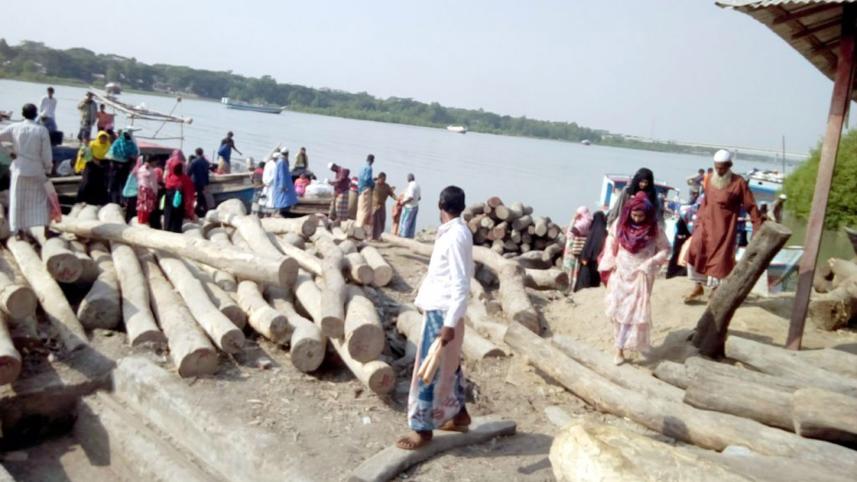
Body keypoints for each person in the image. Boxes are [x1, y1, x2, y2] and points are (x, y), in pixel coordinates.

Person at [396, 185, 473, 450]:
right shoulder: (455, 233)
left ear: (441, 205)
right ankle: (459, 415)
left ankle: (422, 429)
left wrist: (449, 324)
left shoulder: (455, 237)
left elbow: (461, 282)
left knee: (428, 370)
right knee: (449, 365)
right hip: (443, 309)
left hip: (443, 313)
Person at [599, 192, 670, 365]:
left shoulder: (655, 229)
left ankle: (622, 346)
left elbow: (666, 249)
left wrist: (651, 263)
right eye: (634, 215)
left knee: (633, 313)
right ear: (628, 212)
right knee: (619, 311)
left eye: (641, 215)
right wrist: (611, 260)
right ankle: (619, 349)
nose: (637, 219)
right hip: (621, 274)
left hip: (641, 275)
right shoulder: (620, 225)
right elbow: (611, 242)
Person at [684, 150, 763, 302]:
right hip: (705, 224)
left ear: (729, 166)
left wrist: (756, 226)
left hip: (724, 228)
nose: (719, 171)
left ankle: (715, 289)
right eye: (717, 167)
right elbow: (705, 202)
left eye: (722, 168)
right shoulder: (709, 179)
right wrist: (697, 222)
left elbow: (751, 206)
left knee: (720, 260)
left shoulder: (738, 182)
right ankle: (697, 286)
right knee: (695, 250)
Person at [0, 104, 53, 239]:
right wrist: (48, 168)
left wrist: (10, 152)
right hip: (36, 169)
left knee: (17, 200)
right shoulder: (41, 130)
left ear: (22, 114)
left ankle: (18, 231)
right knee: (43, 200)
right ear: (36, 115)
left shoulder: (14, 128)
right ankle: (46, 229)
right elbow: (46, 153)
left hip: (19, 169)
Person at [574, 211, 608, 291]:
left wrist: (584, 257)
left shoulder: (591, 231)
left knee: (584, 283)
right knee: (594, 283)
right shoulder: (605, 232)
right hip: (598, 262)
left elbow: (587, 247)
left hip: (587, 261)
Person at [163, 151, 196, 232]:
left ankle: (167, 230)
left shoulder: (169, 177)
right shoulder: (185, 179)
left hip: (168, 200)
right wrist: (189, 208)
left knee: (168, 216)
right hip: (180, 202)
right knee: (177, 219)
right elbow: (190, 193)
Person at [76, 131, 111, 206]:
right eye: (102, 137)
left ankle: (98, 202)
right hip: (91, 164)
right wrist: (94, 160)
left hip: (103, 166)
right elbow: (85, 153)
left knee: (101, 184)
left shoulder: (108, 146)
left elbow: (110, 155)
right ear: (98, 137)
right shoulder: (92, 144)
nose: (103, 139)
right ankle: (82, 200)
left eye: (105, 137)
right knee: (87, 182)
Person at [562, 207, 593, 291]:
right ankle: (573, 286)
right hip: (579, 248)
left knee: (569, 268)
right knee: (576, 269)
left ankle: (568, 287)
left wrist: (573, 219)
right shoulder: (589, 223)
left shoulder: (580, 224)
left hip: (572, 249)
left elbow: (569, 234)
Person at [106, 129, 139, 205]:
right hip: (115, 167)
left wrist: (130, 161)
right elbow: (111, 154)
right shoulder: (117, 143)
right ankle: (113, 201)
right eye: (125, 134)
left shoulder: (132, 145)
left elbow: (134, 155)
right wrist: (114, 163)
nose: (126, 136)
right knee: (114, 185)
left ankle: (123, 201)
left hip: (125, 167)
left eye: (128, 135)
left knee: (123, 185)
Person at [371, 172, 397, 240]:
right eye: (382, 179)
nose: (383, 181)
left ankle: (380, 236)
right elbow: (368, 184)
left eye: (385, 179)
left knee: (382, 221)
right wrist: (373, 179)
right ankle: (372, 236)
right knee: (374, 221)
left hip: (382, 206)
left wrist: (397, 199)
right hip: (374, 206)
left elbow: (391, 194)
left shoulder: (386, 186)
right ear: (379, 178)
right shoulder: (374, 185)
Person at [134, 156, 160, 225]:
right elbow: (153, 184)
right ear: (152, 162)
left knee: (141, 207)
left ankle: (140, 221)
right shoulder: (151, 171)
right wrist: (155, 192)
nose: (156, 163)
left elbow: (138, 180)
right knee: (147, 208)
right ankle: (144, 222)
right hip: (148, 191)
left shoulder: (141, 168)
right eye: (155, 162)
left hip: (141, 190)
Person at [273, 151, 298, 217]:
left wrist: (282, 185)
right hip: (283, 187)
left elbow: (282, 175)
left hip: (282, 187)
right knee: (283, 201)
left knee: (282, 202)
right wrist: (282, 185)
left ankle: (282, 214)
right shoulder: (282, 162)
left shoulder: (280, 162)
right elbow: (282, 175)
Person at [188, 147, 211, 217]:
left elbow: (189, 172)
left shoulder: (194, 161)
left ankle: (196, 210)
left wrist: (186, 178)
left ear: (196, 153)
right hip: (203, 182)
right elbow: (207, 173)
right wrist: (206, 182)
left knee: (195, 196)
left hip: (195, 181)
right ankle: (202, 209)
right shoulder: (206, 162)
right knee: (200, 196)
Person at [355, 154, 374, 228]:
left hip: (360, 189)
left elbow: (360, 177)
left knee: (360, 208)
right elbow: (367, 179)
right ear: (372, 161)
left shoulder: (362, 167)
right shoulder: (369, 168)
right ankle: (360, 227)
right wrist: (373, 183)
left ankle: (357, 224)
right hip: (366, 190)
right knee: (365, 209)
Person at [399, 173, 421, 238]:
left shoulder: (411, 186)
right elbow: (419, 198)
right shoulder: (417, 185)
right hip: (416, 206)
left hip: (409, 207)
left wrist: (403, 202)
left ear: (408, 179)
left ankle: (404, 236)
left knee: (405, 222)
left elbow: (410, 197)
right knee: (412, 223)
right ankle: (410, 236)